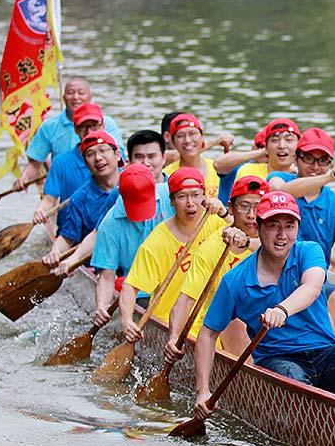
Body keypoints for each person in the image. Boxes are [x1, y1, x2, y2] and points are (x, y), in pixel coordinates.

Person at [194, 191, 335, 415]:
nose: (282, 235)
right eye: (274, 225)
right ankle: (314, 421)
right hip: (279, 362)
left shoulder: (308, 251)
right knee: (294, 378)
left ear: (297, 229)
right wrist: (203, 391)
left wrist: (282, 310)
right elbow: (207, 335)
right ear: (258, 227)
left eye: (289, 226)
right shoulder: (235, 281)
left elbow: (312, 287)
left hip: (326, 356)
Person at [268, 127, 335, 328]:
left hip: (315, 280)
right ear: (296, 159)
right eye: (309, 158)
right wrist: (329, 177)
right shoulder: (280, 179)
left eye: (323, 161)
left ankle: (321, 340)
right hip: (275, 277)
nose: (315, 166)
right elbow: (279, 191)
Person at [166, 175, 270, 363]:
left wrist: (247, 242)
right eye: (244, 206)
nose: (252, 215)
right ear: (231, 208)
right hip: (224, 329)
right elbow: (186, 300)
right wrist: (174, 337)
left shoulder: (279, 242)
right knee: (235, 324)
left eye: (258, 207)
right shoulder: (212, 248)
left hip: (268, 323)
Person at [120, 167, 228, 343]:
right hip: (170, 324)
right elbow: (130, 287)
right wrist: (126, 321)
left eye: (196, 195)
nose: (190, 203)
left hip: (212, 323)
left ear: (205, 197)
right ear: (171, 201)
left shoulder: (218, 223)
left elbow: (248, 235)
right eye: (182, 197)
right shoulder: (158, 240)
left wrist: (224, 213)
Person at [88, 164, 175, 329]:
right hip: (141, 293)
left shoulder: (172, 196)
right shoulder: (109, 225)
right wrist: (101, 306)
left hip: (180, 283)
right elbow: (107, 277)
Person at [15, 77, 125, 190]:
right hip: (65, 187)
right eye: (70, 93)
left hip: (103, 187)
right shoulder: (49, 127)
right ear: (63, 98)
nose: (75, 97)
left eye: (81, 93)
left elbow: (120, 158)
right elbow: (35, 162)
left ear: (90, 98)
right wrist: (24, 179)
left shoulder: (106, 123)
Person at [40, 130, 122, 267]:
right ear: (86, 163)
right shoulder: (79, 198)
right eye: (90, 154)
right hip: (99, 264)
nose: (98, 158)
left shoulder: (134, 183)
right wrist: (55, 251)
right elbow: (68, 238)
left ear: (118, 155)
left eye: (103, 150)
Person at [33, 102, 112, 222]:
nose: (89, 132)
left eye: (94, 126)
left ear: (103, 126)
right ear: (75, 129)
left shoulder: (115, 157)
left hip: (105, 225)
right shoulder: (61, 162)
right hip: (71, 227)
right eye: (83, 127)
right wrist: (41, 211)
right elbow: (49, 199)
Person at [163, 113, 222, 198]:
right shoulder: (166, 175)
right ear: (173, 142)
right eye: (180, 136)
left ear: (202, 137)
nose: (187, 140)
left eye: (192, 133)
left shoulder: (218, 170)